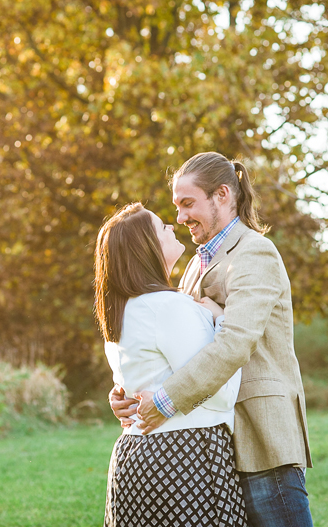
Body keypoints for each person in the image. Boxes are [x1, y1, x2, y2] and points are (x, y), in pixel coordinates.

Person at [110, 152, 314, 527]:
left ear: (222, 194)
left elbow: (234, 343)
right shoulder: (193, 266)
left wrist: (165, 400)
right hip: (212, 448)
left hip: (259, 437)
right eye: (177, 207)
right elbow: (175, 348)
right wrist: (128, 393)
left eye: (188, 204)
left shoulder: (254, 252)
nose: (180, 217)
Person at [95, 202, 247, 527]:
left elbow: (136, 383)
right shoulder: (167, 306)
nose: (171, 225)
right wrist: (221, 323)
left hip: (133, 457)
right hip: (184, 457)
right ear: (145, 247)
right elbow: (219, 391)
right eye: (160, 226)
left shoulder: (121, 311)